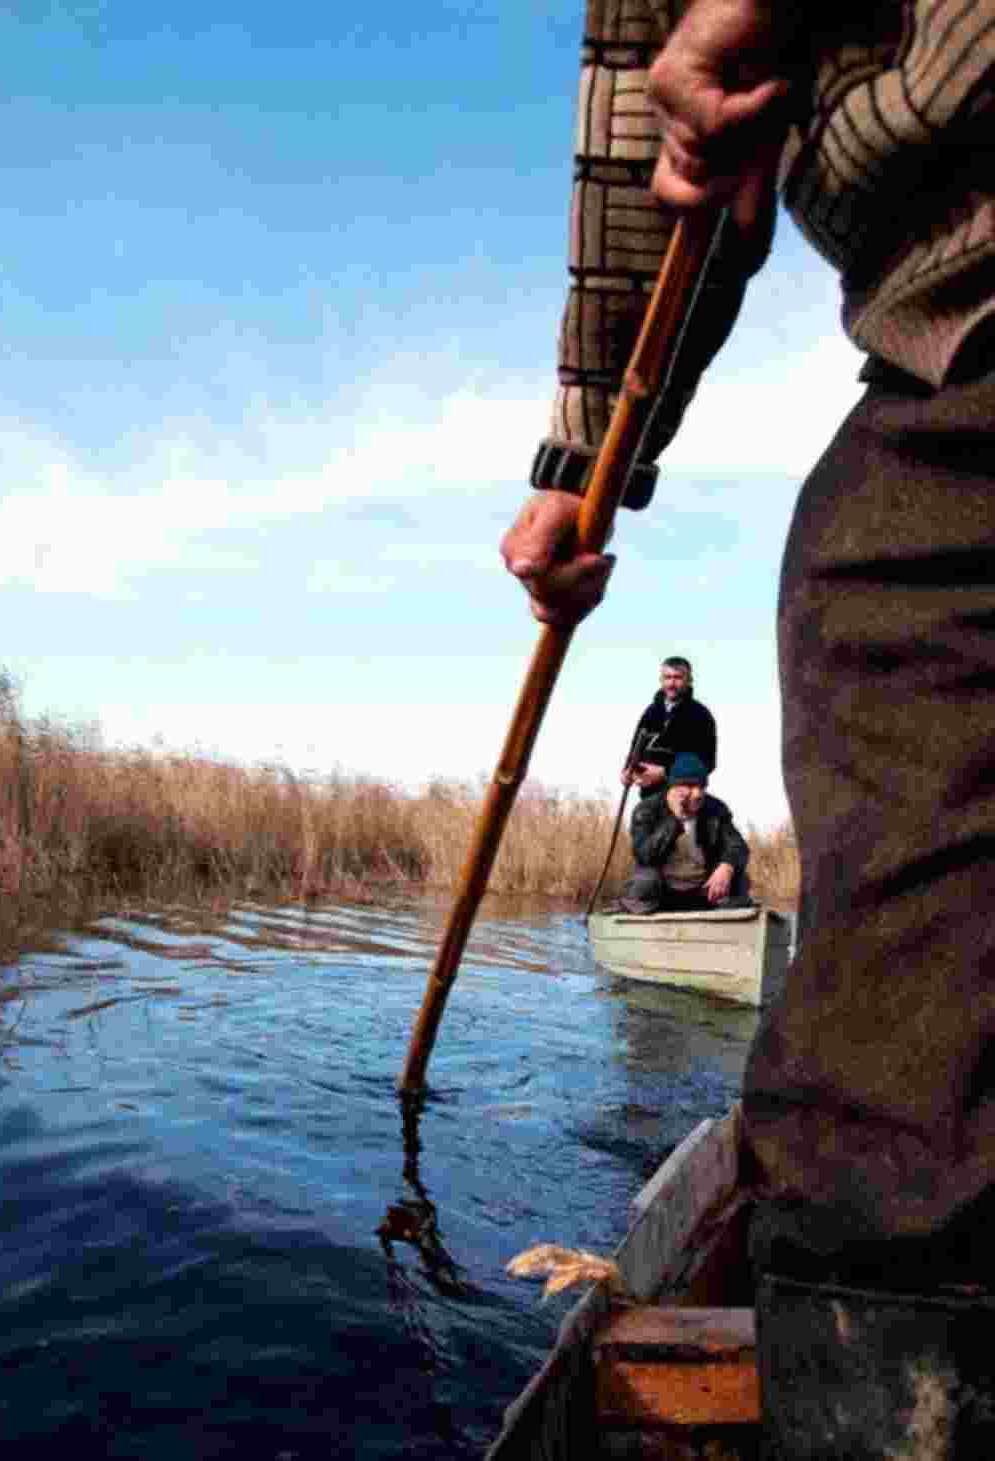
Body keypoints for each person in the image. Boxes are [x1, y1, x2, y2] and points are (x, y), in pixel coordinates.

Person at [499, 2, 995, 1453]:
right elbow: (666, 791)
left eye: (670, 698)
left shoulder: (708, 735)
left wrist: (711, 832)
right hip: (950, 329)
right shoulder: (667, 763)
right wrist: (592, 459)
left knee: (854, 618)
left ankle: (884, 1249)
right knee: (688, 842)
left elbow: (655, 132)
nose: (670, 703)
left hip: (966, 317)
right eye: (661, 700)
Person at [617, 752, 751, 914]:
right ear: (673, 786)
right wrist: (675, 821)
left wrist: (726, 866)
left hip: (703, 891)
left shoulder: (715, 809)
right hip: (663, 892)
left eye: (701, 787)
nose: (697, 794)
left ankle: (729, 923)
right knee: (644, 883)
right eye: (689, 786)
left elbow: (738, 846)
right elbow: (644, 855)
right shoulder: (647, 810)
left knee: (738, 879)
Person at [622, 656, 717, 799]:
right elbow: (636, 748)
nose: (672, 683)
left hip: (684, 799)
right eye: (667, 677)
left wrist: (664, 772)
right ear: (661, 680)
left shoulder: (701, 716)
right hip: (649, 796)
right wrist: (627, 770)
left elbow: (707, 761)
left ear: (689, 680)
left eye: (678, 678)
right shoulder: (651, 712)